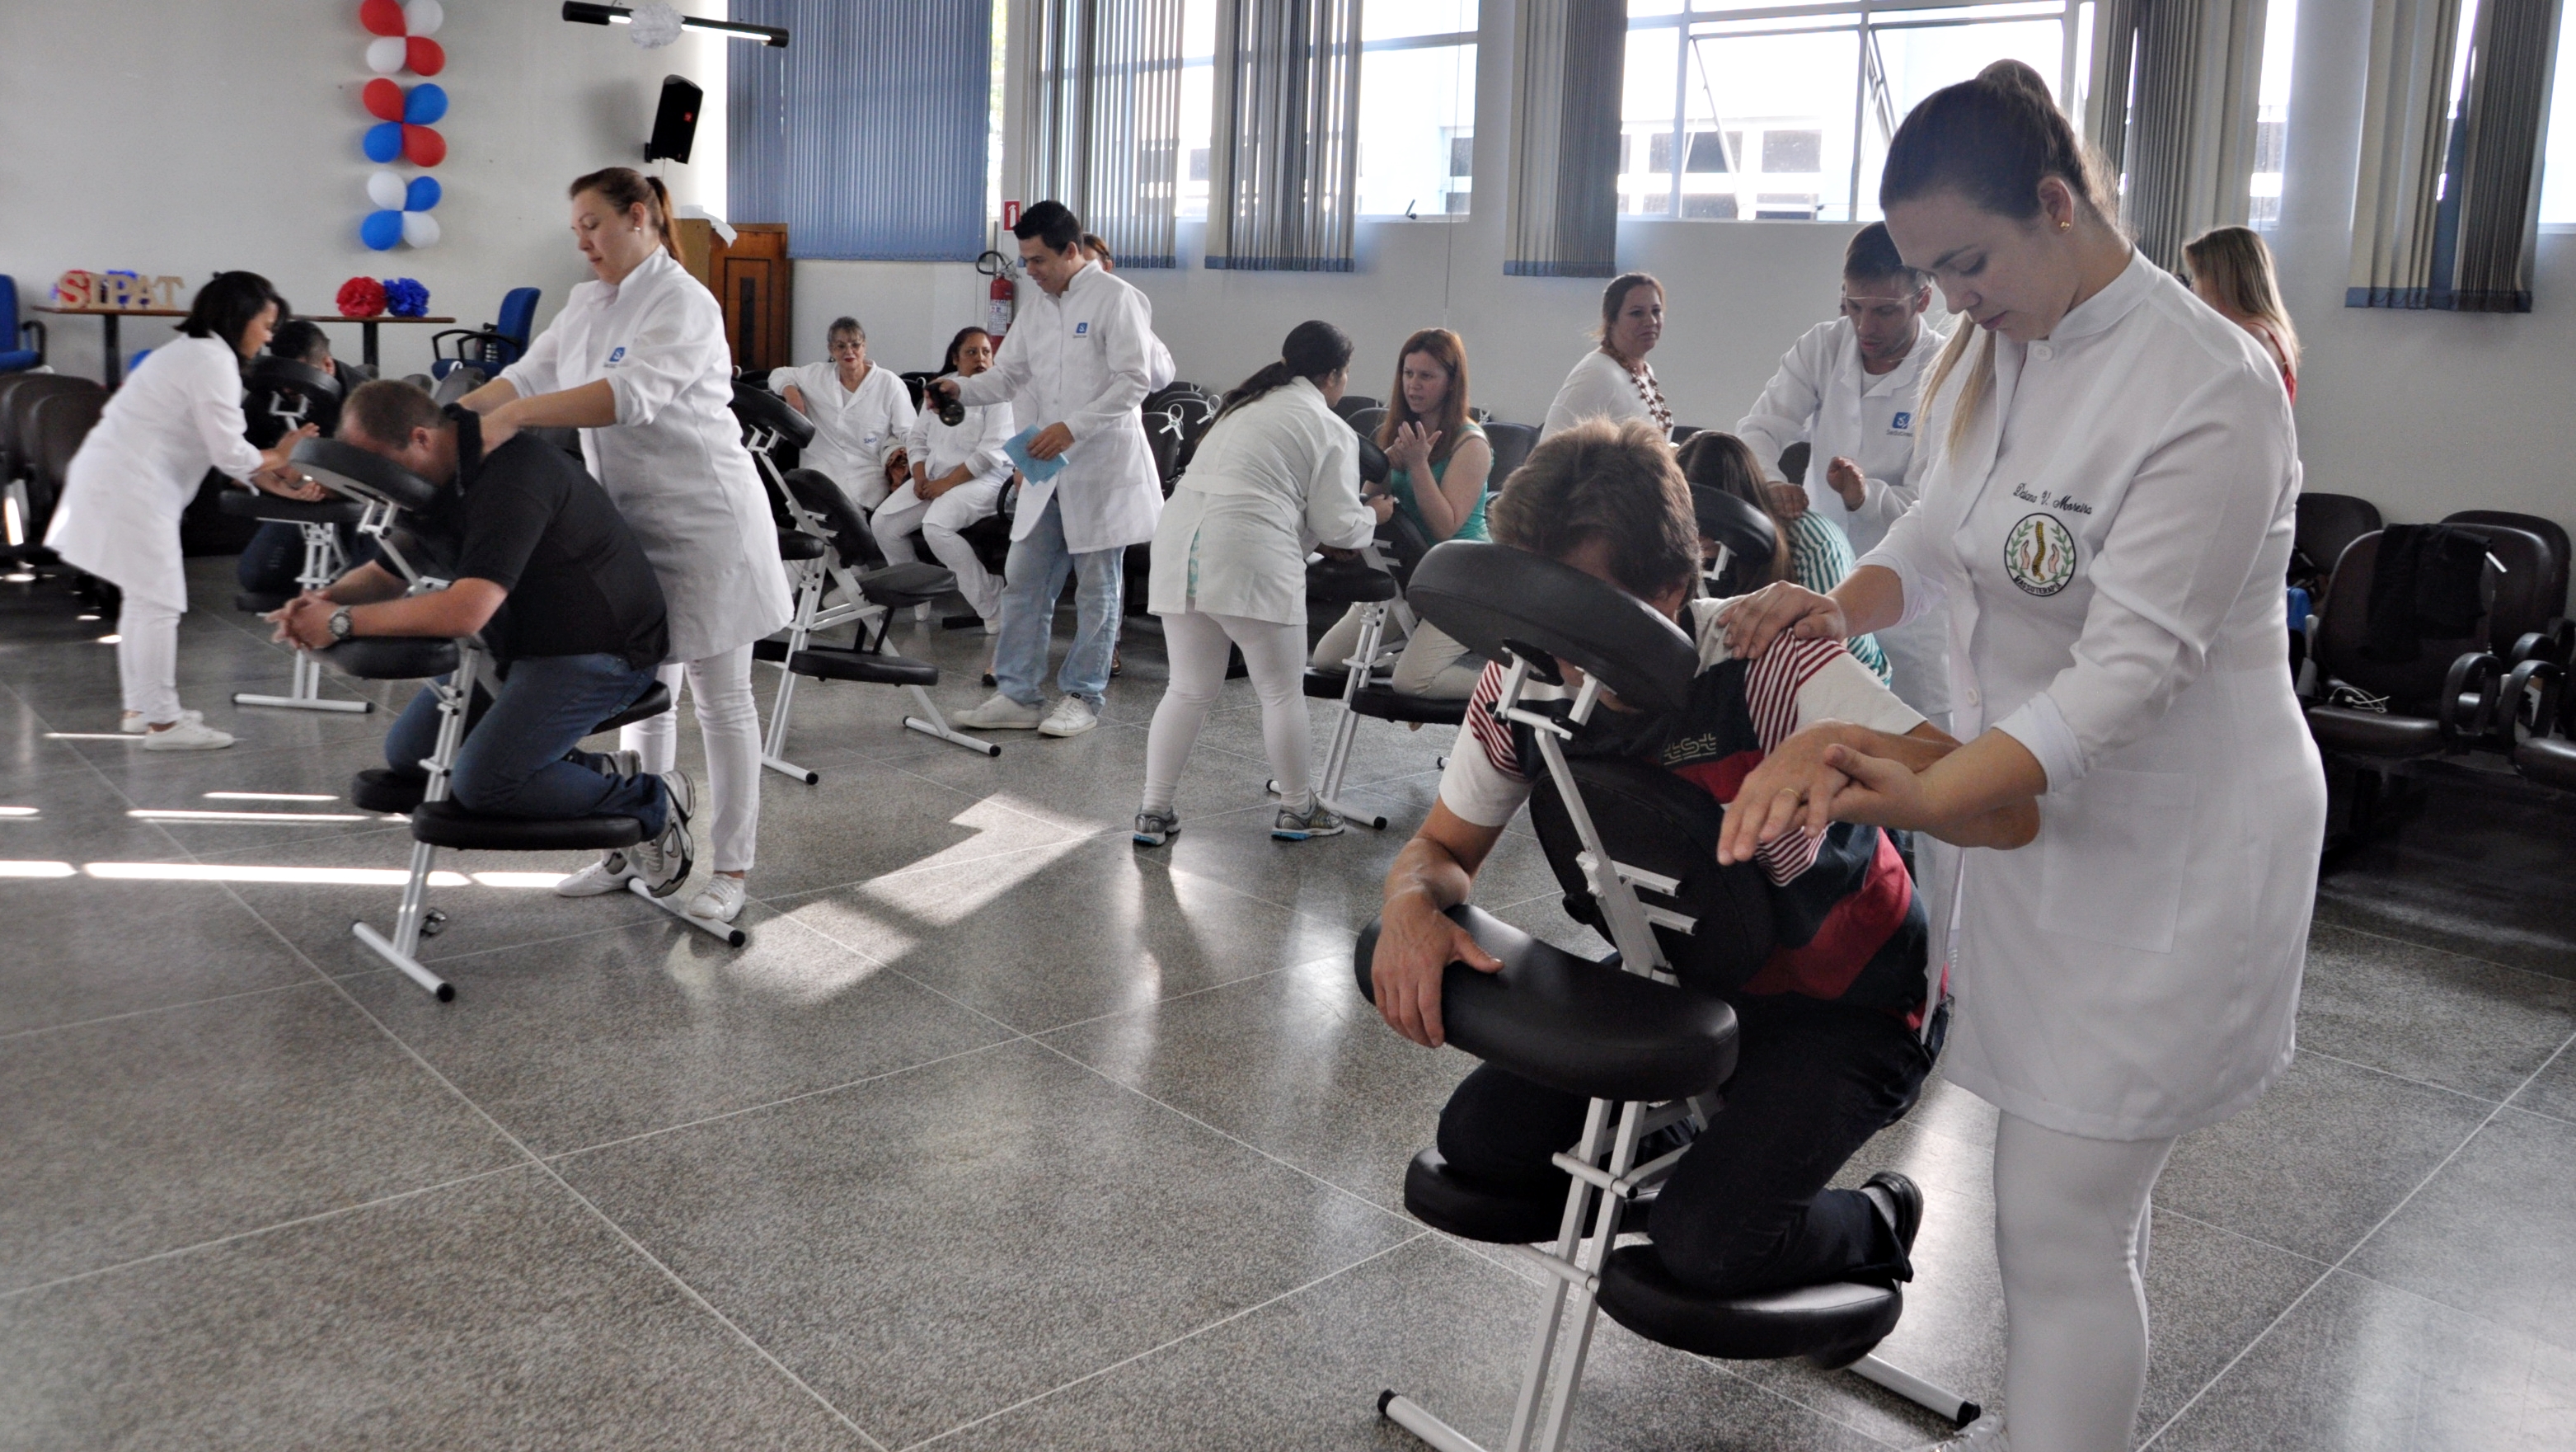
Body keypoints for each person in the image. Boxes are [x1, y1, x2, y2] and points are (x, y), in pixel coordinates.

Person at [1718, 61, 2323, 1452]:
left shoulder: (2209, 387)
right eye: (1930, 273)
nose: (1948, 299)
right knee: (2076, 1186)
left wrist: (1925, 787)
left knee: (2059, 1216)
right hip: (2042, 816)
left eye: (1965, 263)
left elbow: (2127, 675)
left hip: (2175, 838)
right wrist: (1837, 604)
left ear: (2057, 203)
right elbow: (1937, 534)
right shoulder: (2009, 343)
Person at [1369, 418, 2037, 1313]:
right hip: (1678, 972)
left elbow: (2005, 811)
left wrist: (1835, 746)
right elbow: (1441, 852)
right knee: (1481, 1149)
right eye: (1536, 607)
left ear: (1672, 588)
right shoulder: (1524, 677)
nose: (1556, 650)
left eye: (1582, 610)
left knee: (1706, 1247)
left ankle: (1879, 1219)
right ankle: (1703, 1147)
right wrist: (1410, 902)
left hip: (1849, 1003)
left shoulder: (1766, 663)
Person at [461, 166, 792, 928]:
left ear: (638, 217)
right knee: (650, 690)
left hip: (707, 528)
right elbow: (524, 377)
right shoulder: (587, 302)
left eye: (593, 224)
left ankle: (731, 867)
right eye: (575, 229)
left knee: (722, 699)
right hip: (628, 533)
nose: (582, 241)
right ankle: (637, 841)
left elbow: (628, 397)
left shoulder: (684, 302)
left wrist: (511, 421)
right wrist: (444, 423)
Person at [267, 382, 694, 895]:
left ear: (421, 439)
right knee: (412, 754)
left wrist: (340, 622)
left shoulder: (512, 474)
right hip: (516, 647)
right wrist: (322, 600)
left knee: (484, 785)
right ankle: (597, 773)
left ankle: (652, 799)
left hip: (600, 650)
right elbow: (386, 573)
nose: (379, 485)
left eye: (380, 466)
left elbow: (466, 610)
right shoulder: (433, 477)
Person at [43, 270, 323, 750]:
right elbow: (231, 454)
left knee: (143, 600)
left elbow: (220, 449)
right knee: (159, 602)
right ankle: (165, 724)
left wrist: (275, 476)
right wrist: (284, 454)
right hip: (133, 488)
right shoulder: (212, 360)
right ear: (239, 318)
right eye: (266, 324)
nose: (269, 337)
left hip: (118, 482)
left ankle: (141, 709)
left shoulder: (191, 352)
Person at [1133, 321, 1375, 847]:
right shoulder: (1326, 423)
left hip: (1182, 545)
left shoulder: (1243, 406)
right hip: (1248, 551)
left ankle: (1153, 811)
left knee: (1188, 688)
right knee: (1281, 692)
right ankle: (1298, 808)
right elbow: (1340, 525)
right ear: (1335, 374)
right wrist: (1373, 514)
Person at [941, 200, 1166, 740]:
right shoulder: (1038, 308)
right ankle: (1017, 694)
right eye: (1025, 261)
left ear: (1070, 251)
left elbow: (1135, 380)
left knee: (1096, 590)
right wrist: (960, 389)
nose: (1031, 271)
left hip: (1101, 469)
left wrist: (1073, 427)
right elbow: (1008, 376)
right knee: (1024, 582)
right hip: (1045, 468)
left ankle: (1083, 696)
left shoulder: (1117, 299)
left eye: (1038, 260)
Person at [1733, 222, 1953, 728]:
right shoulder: (1823, 346)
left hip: (1910, 603)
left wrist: (1865, 496)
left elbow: (1936, 502)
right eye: (1853, 306)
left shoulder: (1947, 368)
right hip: (1824, 578)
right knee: (1827, 731)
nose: (1865, 326)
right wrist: (1771, 483)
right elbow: (1758, 431)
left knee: (1920, 739)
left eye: (1885, 311)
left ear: (1922, 300)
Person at [1308, 327, 1492, 700]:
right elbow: (1366, 504)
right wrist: (1385, 467)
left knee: (1411, 684)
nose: (1414, 385)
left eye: (1427, 376)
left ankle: (1518, 690)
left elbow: (1444, 527)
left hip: (1464, 581)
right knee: (1330, 659)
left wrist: (1418, 465)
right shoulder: (1398, 431)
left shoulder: (1471, 444)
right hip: (1408, 573)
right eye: (1408, 373)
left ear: (1451, 381)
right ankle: (1413, 664)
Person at [1674, 430, 1889, 684]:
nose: (1698, 537)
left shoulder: (1814, 542)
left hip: (1846, 680)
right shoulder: (1679, 540)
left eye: (1709, 523)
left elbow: (1848, 664)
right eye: (1689, 522)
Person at [871, 326, 1013, 632]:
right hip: (936, 477)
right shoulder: (939, 388)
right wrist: (919, 476)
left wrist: (945, 485)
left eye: (986, 352)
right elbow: (917, 438)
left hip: (988, 480)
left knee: (936, 527)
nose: (981, 359)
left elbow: (988, 455)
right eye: (972, 352)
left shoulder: (999, 393)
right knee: (883, 524)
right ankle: (915, 589)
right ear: (956, 357)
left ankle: (991, 598)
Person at [238, 321, 378, 600]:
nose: (290, 389)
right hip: (296, 498)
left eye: (300, 380)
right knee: (257, 578)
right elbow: (236, 465)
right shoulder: (269, 394)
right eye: (285, 383)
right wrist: (284, 485)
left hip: (360, 500)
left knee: (364, 588)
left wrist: (298, 476)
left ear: (327, 365)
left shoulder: (365, 399)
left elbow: (375, 477)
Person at [770, 316, 915, 510]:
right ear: (831, 349)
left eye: (855, 345)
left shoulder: (889, 383)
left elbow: (908, 430)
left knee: (855, 518)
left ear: (864, 346)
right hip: (820, 470)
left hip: (867, 474)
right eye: (841, 346)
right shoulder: (816, 376)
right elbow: (778, 374)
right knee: (811, 517)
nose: (849, 351)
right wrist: (790, 392)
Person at [1540, 273, 1669, 439]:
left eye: (1656, 311)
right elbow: (1550, 447)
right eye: (1637, 313)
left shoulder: (1644, 371)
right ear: (1611, 319)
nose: (1651, 321)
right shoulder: (1597, 372)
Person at [2184, 224, 2300, 402]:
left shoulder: (2252, 335)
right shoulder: (2271, 328)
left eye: (2197, 276)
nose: (2192, 286)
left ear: (2220, 279)